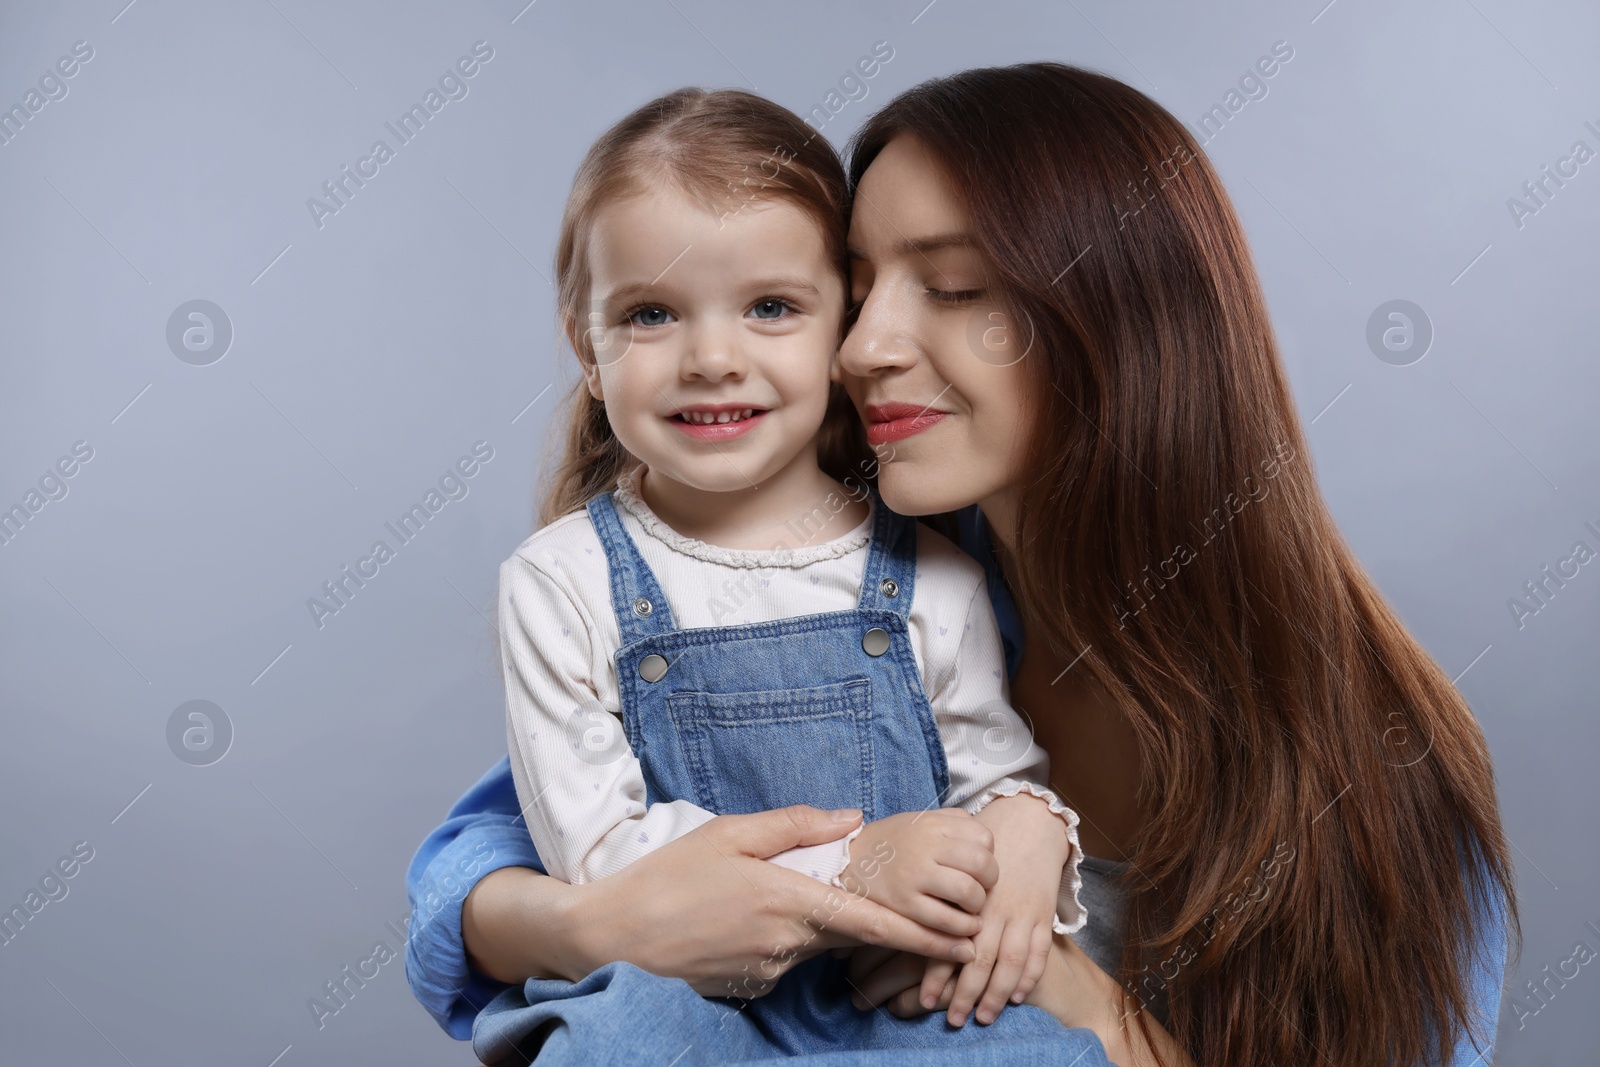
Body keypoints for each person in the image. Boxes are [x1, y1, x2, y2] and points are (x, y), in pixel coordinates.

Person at [408, 62, 1517, 1067]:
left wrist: (1067, 984)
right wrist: (593, 924)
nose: (860, 347)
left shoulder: (1379, 782)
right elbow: (477, 861)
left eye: (951, 286)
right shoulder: (833, 573)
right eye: (856, 282)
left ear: (1112, 324)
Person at [481, 85, 1093, 1061]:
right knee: (613, 1040)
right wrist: (854, 868)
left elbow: (994, 788)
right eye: (650, 313)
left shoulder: (930, 576)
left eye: (770, 306)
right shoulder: (561, 582)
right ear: (586, 350)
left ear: (839, 332)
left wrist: (1015, 852)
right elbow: (595, 863)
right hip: (682, 989)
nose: (712, 357)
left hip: (893, 990)